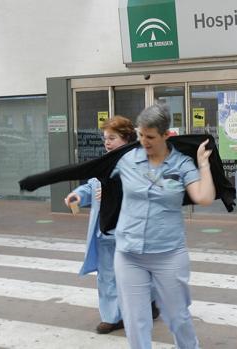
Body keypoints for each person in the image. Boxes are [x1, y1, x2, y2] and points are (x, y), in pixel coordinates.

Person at [111, 103, 214, 349]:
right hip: (128, 254)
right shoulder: (126, 160)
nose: (143, 141)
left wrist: (204, 165)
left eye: (150, 137)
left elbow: (204, 197)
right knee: (135, 320)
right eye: (140, 135)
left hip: (168, 254)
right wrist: (81, 195)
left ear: (166, 135)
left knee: (178, 317)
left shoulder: (181, 165)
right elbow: (100, 179)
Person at [63, 116, 159, 334]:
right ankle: (112, 317)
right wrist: (78, 195)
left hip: (132, 231)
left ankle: (150, 302)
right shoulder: (103, 163)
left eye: (112, 138)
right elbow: (91, 186)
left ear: (125, 138)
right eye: (105, 138)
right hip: (105, 232)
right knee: (107, 275)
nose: (107, 142)